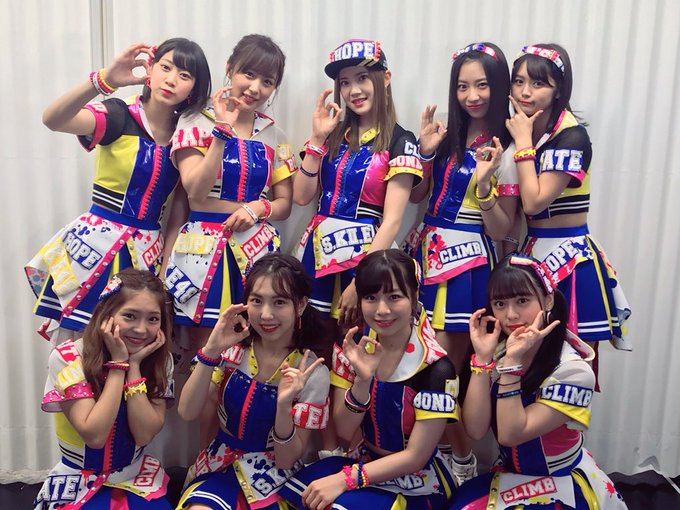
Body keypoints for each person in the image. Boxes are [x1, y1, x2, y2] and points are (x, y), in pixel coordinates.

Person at [25, 39, 210, 346]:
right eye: (165, 67)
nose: (171, 80)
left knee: (136, 346)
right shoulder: (119, 114)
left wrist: (165, 269)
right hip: (95, 247)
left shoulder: (188, 134)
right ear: (150, 69)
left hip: (146, 253)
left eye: (185, 75)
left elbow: (180, 207)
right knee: (79, 344)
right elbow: (53, 119)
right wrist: (104, 80)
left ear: (193, 88)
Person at [405, 42, 519, 484]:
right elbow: (418, 196)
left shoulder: (510, 147)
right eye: (463, 86)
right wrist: (426, 153)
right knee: (418, 358)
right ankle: (426, 455)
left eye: (482, 85)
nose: (472, 96)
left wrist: (486, 185)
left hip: (469, 261)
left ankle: (461, 458)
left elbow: (502, 228)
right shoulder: (447, 136)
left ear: (499, 86)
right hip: (426, 252)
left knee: (447, 367)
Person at [279, 249, 458, 510]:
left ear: (414, 296)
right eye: (371, 297)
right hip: (363, 462)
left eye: (394, 296)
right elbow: (344, 431)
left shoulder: (436, 367)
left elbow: (415, 457)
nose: (382, 310)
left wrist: (346, 480)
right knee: (292, 495)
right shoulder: (354, 347)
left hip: (418, 482)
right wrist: (362, 381)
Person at [451, 254, 627, 509]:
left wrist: (511, 365)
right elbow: (475, 430)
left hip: (560, 482)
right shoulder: (500, 351)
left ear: (548, 300)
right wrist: (481, 358)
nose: (511, 315)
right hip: (509, 476)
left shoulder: (574, 371)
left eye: (522, 301)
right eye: (500, 303)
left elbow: (511, 434)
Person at [166, 34, 294, 350]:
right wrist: (222, 131)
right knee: (206, 347)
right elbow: (195, 191)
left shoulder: (275, 134)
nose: (255, 88)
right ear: (229, 68)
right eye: (248, 74)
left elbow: (285, 204)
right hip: (203, 250)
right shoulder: (195, 119)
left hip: (257, 249)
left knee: (256, 342)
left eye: (267, 81)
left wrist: (258, 208)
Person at [505, 44, 631, 361]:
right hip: (532, 254)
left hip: (570, 258)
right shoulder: (523, 131)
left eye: (538, 83)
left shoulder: (571, 136)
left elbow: (533, 202)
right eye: (519, 81)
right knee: (529, 355)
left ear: (558, 89)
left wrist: (522, 142)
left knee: (577, 360)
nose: (525, 92)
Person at [176, 254, 330, 509]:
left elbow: (286, 460)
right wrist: (211, 351)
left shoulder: (313, 373)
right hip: (217, 467)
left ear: (301, 305)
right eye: (257, 301)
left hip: (275, 481)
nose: (266, 315)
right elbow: (187, 411)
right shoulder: (230, 351)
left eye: (279, 302)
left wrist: (284, 406)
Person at [294, 38, 423, 335]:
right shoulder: (332, 132)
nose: (353, 90)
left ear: (385, 78)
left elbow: (392, 221)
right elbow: (301, 196)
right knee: (312, 339)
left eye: (362, 78)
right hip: (317, 250)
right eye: (345, 82)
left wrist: (360, 281)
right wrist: (317, 140)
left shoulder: (401, 140)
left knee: (359, 340)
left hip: (367, 254)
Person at [34, 268, 175, 509]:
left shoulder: (161, 360)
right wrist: (119, 365)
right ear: (105, 315)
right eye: (130, 316)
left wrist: (134, 367)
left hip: (136, 478)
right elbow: (95, 436)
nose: (141, 329)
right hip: (76, 480)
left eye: (153, 319)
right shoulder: (68, 358)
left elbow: (144, 435)